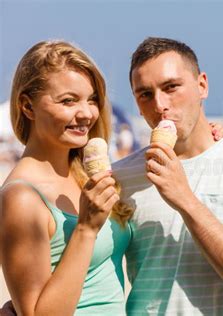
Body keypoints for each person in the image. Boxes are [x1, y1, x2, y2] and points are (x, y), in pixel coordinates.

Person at [112, 37, 223, 315]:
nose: (160, 104)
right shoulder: (122, 176)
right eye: (145, 94)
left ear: (202, 85)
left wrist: (184, 198)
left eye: (171, 87)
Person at [0, 41, 132, 315]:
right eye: (68, 101)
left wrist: (219, 139)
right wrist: (85, 229)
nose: (87, 113)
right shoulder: (21, 198)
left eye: (92, 99)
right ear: (27, 106)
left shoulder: (84, 173)